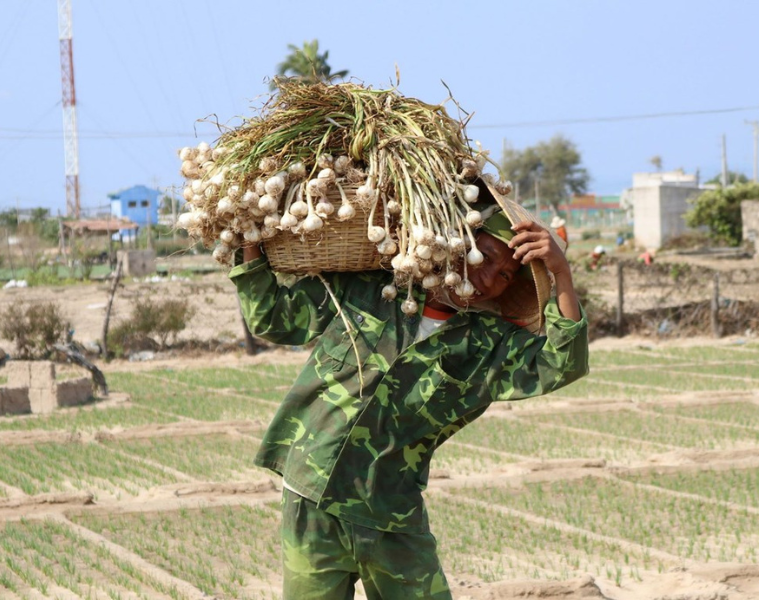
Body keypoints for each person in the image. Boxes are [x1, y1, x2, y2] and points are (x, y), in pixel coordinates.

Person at [230, 184, 589, 599]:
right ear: (457, 244)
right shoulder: (371, 289)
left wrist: (561, 273)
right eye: (485, 256)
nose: (489, 277)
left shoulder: (488, 345)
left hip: (390, 511)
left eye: (506, 274)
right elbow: (273, 318)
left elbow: (563, 363)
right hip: (311, 497)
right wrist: (247, 237)